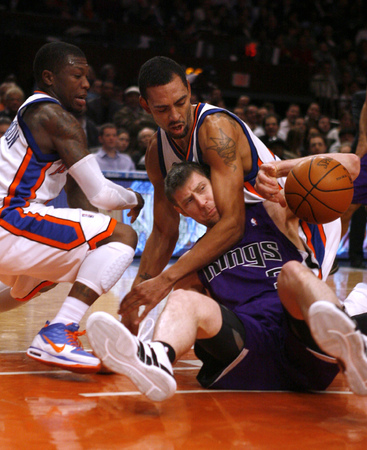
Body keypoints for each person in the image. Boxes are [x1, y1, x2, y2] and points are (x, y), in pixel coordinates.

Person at [86, 159, 367, 402]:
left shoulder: (269, 211)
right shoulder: (192, 258)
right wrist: (132, 331)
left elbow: (349, 165)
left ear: (216, 182)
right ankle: (157, 359)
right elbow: (184, 318)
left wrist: (278, 168)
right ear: (182, 212)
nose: (201, 203)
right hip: (250, 346)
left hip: (303, 336)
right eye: (188, 201)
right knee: (183, 298)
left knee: (292, 272)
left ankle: (349, 342)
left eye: (201, 189)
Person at [0, 42, 144, 373]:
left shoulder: (32, 112)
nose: (86, 84)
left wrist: (96, 231)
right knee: (122, 236)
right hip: (10, 218)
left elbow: (80, 194)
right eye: (77, 75)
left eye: (88, 77)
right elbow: (103, 195)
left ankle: (57, 332)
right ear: (49, 77)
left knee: (40, 280)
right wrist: (137, 197)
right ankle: (57, 333)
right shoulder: (55, 117)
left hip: (10, 224)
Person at [118, 56, 291, 330]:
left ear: (189, 90)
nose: (174, 116)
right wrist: (137, 294)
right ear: (145, 105)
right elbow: (164, 232)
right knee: (186, 289)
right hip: (245, 232)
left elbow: (232, 224)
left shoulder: (215, 129)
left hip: (287, 227)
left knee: (185, 280)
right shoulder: (156, 152)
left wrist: (166, 278)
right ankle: (161, 353)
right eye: (162, 109)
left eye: (180, 103)